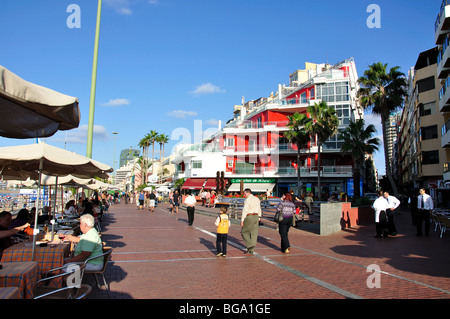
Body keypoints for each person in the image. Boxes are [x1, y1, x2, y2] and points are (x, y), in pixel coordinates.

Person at [240, 188, 261, 255]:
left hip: (249, 216)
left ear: (247, 193)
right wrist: (259, 216)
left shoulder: (247, 200)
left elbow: (245, 210)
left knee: (244, 232)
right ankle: (252, 249)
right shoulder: (257, 199)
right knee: (254, 233)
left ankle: (249, 245)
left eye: (244, 193)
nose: (244, 195)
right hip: (256, 216)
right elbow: (259, 207)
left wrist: (242, 220)